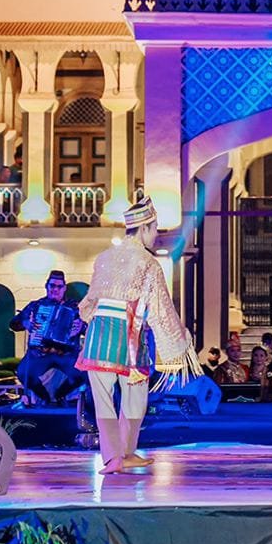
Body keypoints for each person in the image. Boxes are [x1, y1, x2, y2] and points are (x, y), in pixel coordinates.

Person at [77, 191, 199, 474]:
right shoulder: (147, 263)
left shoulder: (104, 257)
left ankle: (116, 456)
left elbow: (90, 301)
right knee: (135, 396)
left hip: (99, 333)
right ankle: (124, 452)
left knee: (104, 398)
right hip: (128, 333)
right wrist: (180, 338)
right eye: (154, 229)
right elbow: (160, 308)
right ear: (144, 228)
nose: (156, 235)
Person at [10, 270, 86, 405]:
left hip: (66, 354)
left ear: (64, 288)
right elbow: (13, 324)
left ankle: (58, 396)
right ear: (46, 286)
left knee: (83, 373)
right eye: (52, 286)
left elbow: (89, 328)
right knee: (23, 372)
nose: (55, 289)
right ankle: (46, 398)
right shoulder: (36, 305)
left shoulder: (76, 308)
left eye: (59, 286)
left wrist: (82, 327)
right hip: (41, 353)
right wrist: (25, 323)